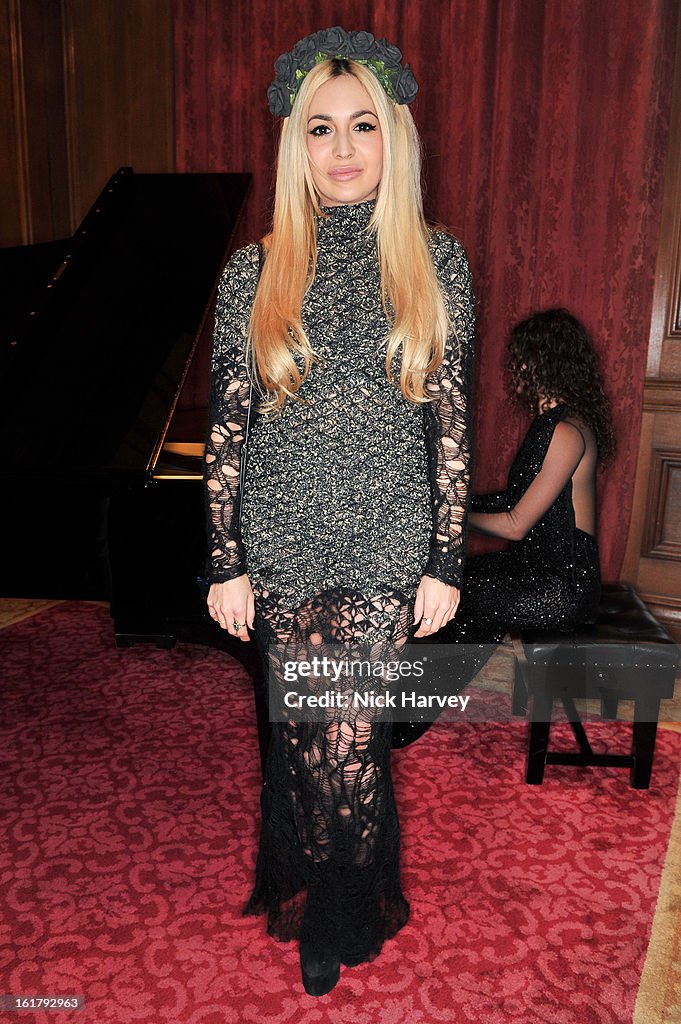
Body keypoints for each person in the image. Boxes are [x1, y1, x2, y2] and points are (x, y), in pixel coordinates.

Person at [201, 27, 474, 996]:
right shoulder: (252, 273)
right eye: (322, 128)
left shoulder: (436, 264)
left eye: (363, 125)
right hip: (278, 546)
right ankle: (311, 886)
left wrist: (445, 561)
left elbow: (449, 425)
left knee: (350, 736)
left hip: (384, 548)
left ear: (393, 138)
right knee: (303, 734)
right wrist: (222, 562)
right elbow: (228, 431)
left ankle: (343, 908)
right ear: (296, 145)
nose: (344, 147)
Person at [444, 307, 614, 651]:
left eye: (522, 358)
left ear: (545, 362)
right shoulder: (551, 424)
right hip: (535, 569)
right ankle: (426, 681)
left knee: (457, 589)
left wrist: (451, 517)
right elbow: (514, 499)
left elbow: (515, 524)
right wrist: (453, 501)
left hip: (561, 588)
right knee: (455, 577)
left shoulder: (566, 431)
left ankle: (424, 686)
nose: (516, 367)